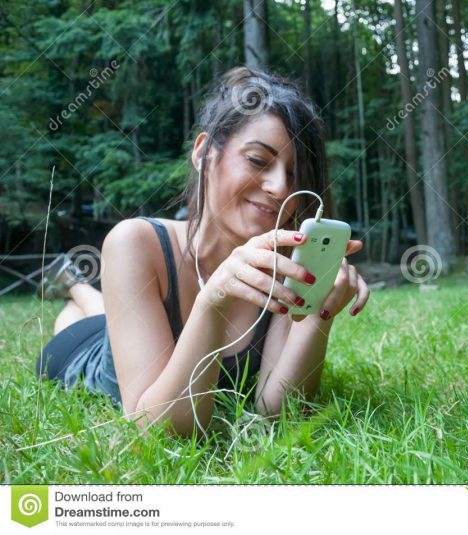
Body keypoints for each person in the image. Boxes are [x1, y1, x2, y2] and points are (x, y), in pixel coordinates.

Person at [36, 66, 370, 438]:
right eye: (259, 161)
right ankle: (74, 288)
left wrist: (316, 314)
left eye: (295, 175)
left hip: (132, 322)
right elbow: (158, 428)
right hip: (84, 350)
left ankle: (74, 285)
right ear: (204, 152)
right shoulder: (135, 242)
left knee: (109, 315)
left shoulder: (287, 266)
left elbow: (275, 414)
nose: (279, 187)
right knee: (87, 323)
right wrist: (215, 300)